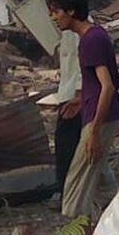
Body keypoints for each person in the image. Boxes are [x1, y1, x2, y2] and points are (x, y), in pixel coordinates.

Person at [49, 0, 119, 220]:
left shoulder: (91, 40)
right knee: (99, 183)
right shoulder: (92, 36)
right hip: (97, 114)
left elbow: (107, 87)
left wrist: (94, 132)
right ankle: (115, 223)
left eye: (56, 12)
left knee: (74, 192)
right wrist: (82, 100)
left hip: (100, 118)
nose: (53, 17)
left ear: (71, 11)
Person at [49, 24, 83, 199]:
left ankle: (66, 192)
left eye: (56, 12)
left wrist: (78, 94)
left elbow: (82, 64)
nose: (53, 18)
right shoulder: (68, 31)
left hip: (74, 97)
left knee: (67, 146)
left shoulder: (79, 31)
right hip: (68, 93)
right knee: (75, 144)